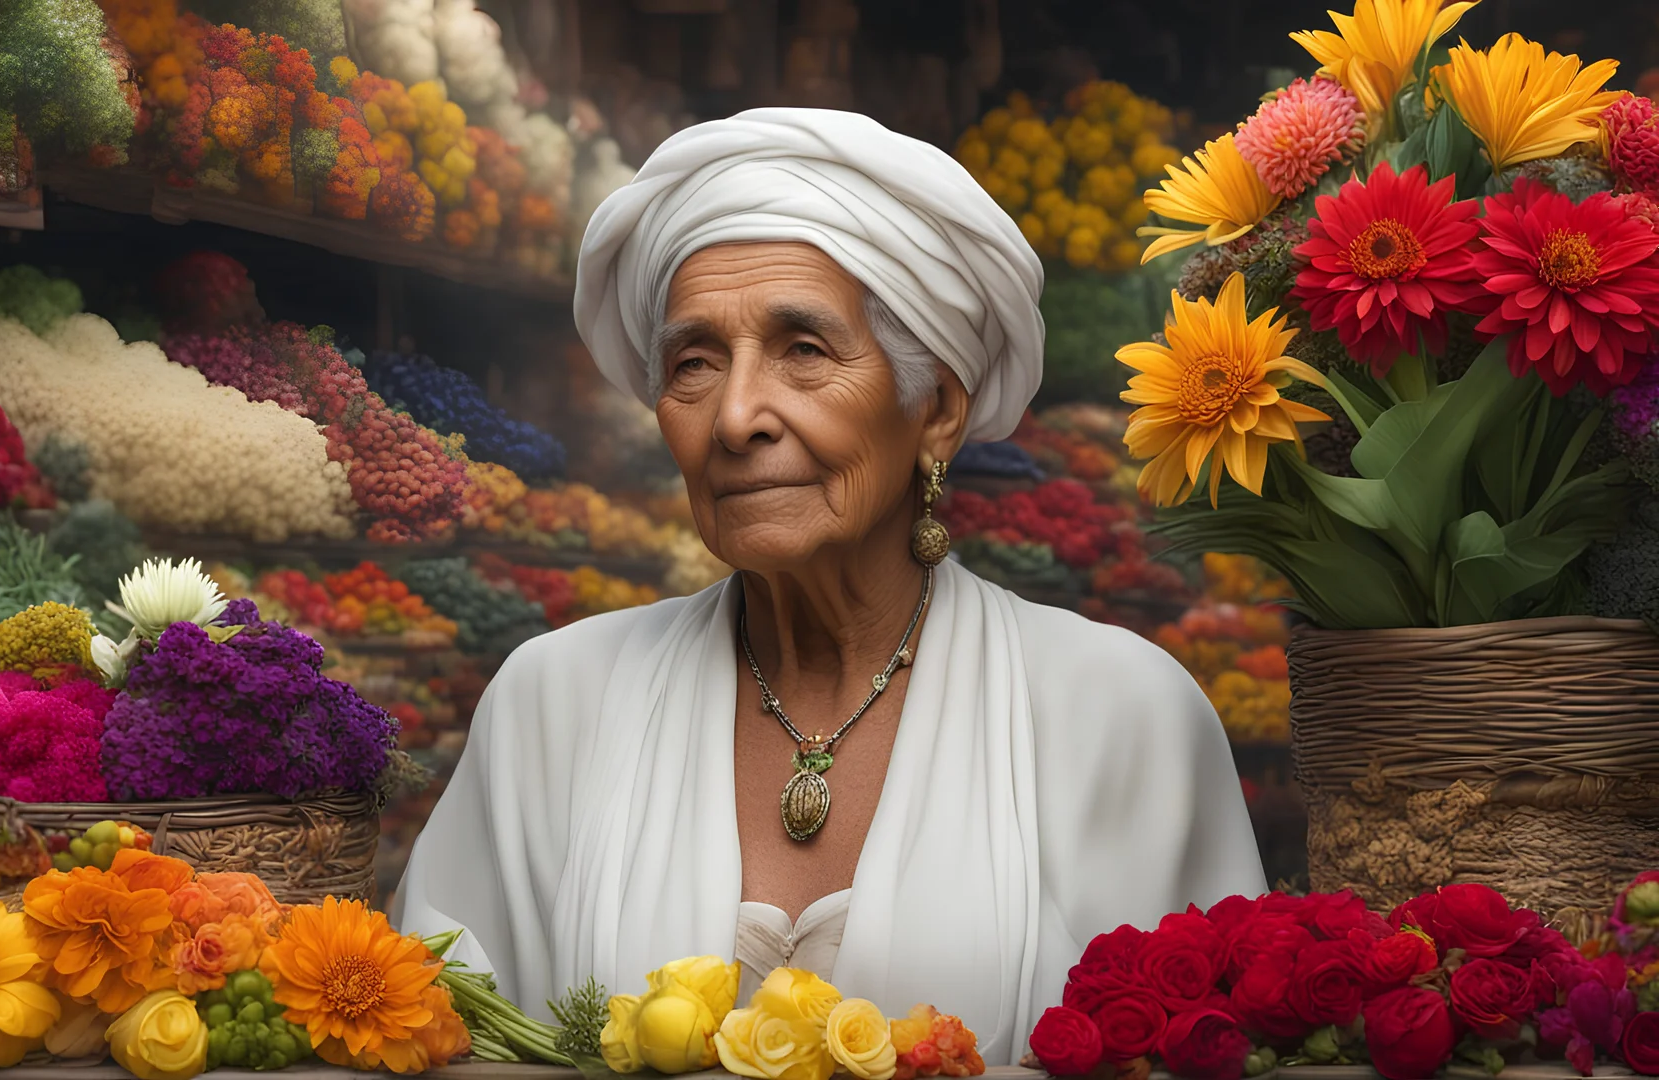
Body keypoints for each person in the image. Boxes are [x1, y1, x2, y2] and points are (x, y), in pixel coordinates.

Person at [392, 108, 1264, 1062]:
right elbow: (440, 1029)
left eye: (804, 351)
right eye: (693, 364)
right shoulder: (551, 705)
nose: (735, 417)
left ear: (935, 408)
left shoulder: (1119, 716)